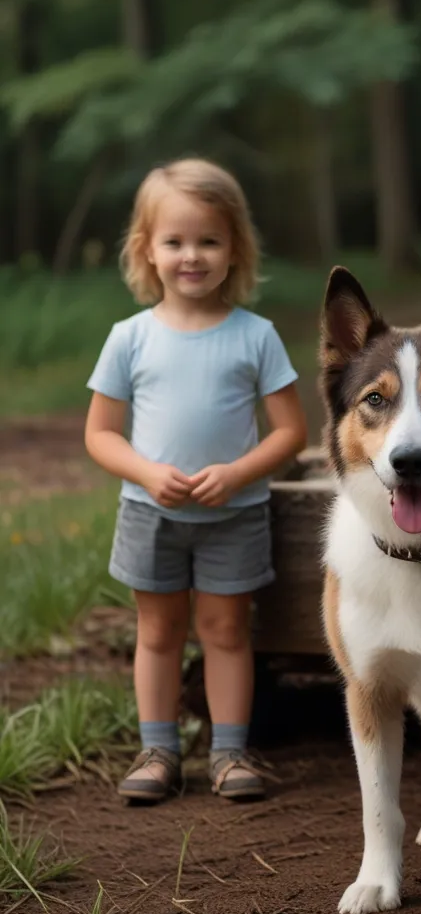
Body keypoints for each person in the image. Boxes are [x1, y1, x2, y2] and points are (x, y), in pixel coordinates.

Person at [85, 157, 307, 803]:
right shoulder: (129, 339)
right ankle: (158, 751)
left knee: (227, 632)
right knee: (157, 633)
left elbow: (290, 431)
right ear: (146, 250)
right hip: (150, 512)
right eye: (175, 241)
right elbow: (100, 435)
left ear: (234, 247)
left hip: (233, 516)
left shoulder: (255, 337)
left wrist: (238, 473)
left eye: (208, 240)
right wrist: (148, 473)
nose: (192, 255)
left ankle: (230, 754)